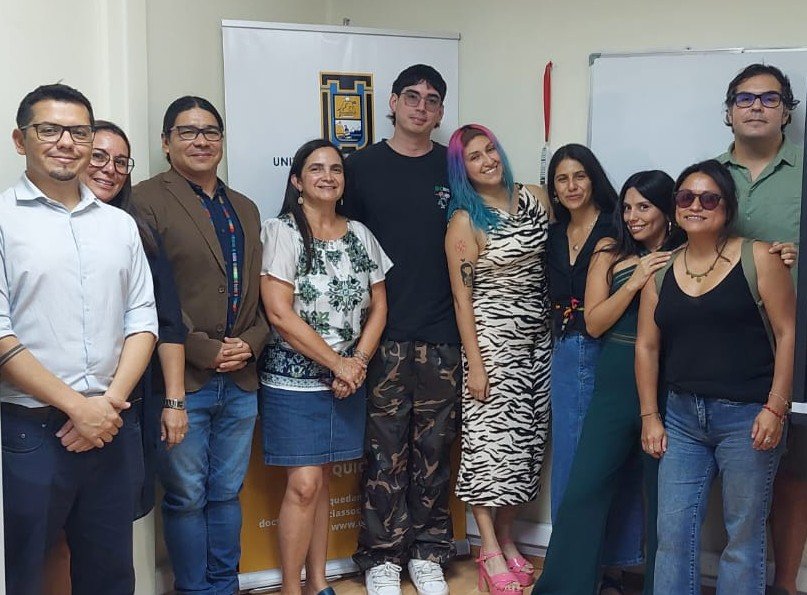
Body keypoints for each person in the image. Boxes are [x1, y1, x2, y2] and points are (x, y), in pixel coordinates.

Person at [0, 83, 158, 595]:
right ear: (21, 140)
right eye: (50, 130)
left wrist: (106, 407)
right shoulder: (3, 220)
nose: (66, 142)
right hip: (30, 432)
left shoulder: (119, 225)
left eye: (79, 132)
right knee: (23, 575)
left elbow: (143, 320)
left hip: (111, 428)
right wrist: (77, 407)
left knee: (110, 576)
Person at [636, 159, 795, 594]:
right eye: (686, 197)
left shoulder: (760, 257)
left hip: (748, 418)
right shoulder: (661, 269)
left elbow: (787, 333)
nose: (696, 206)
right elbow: (647, 346)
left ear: (727, 207)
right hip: (681, 418)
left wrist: (776, 407)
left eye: (709, 199)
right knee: (672, 535)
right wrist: (650, 415)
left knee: (743, 536)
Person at [132, 96, 269, 595]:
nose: (201, 140)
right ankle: (194, 589)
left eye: (210, 131)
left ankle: (223, 585)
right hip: (183, 378)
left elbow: (259, 293)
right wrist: (201, 349)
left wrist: (251, 342)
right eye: (187, 132)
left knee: (227, 493)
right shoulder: (145, 200)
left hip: (241, 377)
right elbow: (148, 293)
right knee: (186, 496)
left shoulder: (245, 207)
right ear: (166, 142)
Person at [342, 64, 461, 595]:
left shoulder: (453, 168)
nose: (420, 107)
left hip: (443, 333)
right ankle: (382, 556)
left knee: (435, 451)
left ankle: (429, 551)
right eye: (411, 96)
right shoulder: (361, 167)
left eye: (431, 100)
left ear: (440, 111)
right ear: (392, 102)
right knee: (384, 451)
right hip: (383, 334)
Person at [534, 170, 681, 595]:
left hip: (670, 378)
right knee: (585, 487)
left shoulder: (688, 252)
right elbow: (594, 323)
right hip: (615, 375)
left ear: (667, 211)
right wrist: (634, 281)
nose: (633, 216)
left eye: (644, 207)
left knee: (663, 498)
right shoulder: (609, 252)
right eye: (628, 207)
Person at [260, 138, 390, 595]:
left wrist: (356, 363)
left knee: (322, 484)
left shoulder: (361, 235)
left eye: (336, 169)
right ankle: (290, 588)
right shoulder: (282, 232)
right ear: (297, 180)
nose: (328, 176)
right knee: (303, 485)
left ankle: (317, 582)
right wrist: (339, 363)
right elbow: (279, 313)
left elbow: (379, 306)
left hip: (347, 381)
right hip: (292, 381)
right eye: (316, 168)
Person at [444, 124, 551, 594]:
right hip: (492, 343)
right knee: (489, 450)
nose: (487, 160)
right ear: (462, 169)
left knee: (525, 448)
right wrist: (477, 363)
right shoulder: (464, 221)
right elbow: (461, 299)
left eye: (490, 150)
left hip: (538, 342)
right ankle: (487, 548)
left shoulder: (536, 198)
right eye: (474, 156)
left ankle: (507, 539)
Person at [715, 63, 804, 595]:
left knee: (795, 472)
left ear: (786, 112)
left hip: (794, 340)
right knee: (730, 463)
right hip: (720, 345)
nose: (756, 107)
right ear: (729, 112)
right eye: (745, 98)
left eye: (769, 99)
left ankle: (784, 584)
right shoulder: (707, 178)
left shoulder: (803, 173)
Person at [545, 144, 644, 586]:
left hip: (611, 351)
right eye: (561, 178)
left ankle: (612, 566)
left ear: (594, 178)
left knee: (613, 463)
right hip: (566, 352)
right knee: (571, 463)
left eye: (580, 176)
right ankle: (573, 569)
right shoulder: (553, 233)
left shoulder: (619, 226)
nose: (571, 186)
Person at [80, 120, 188, 515]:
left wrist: (173, 401)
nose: (109, 169)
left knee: (115, 518)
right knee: (58, 527)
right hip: (58, 407)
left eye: (121, 162)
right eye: (98, 157)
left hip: (128, 402)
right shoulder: (33, 227)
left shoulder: (138, 233)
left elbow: (165, 320)